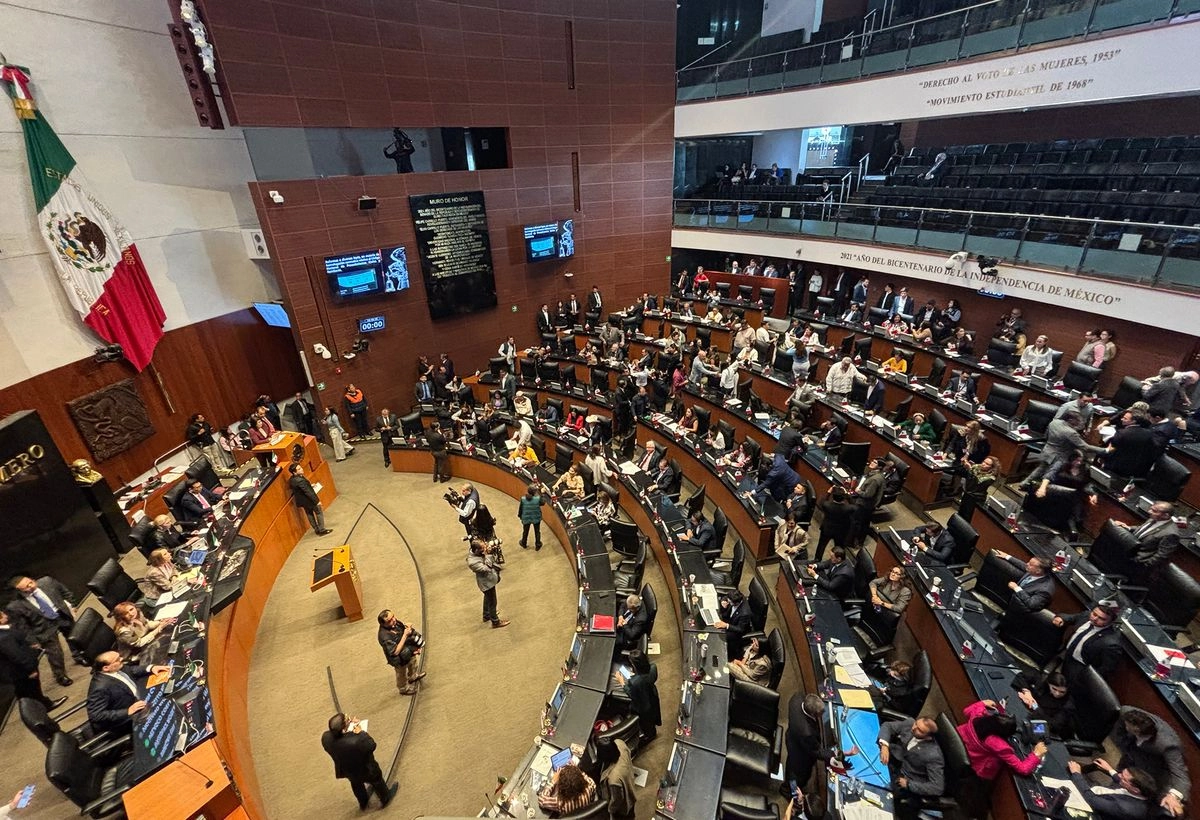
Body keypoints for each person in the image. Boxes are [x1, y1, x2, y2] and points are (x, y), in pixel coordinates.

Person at [1108, 706, 1189, 816]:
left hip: (1153, 772)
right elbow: (1121, 729)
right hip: (1130, 759)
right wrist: (1125, 746)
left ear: (1137, 731)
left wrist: (1173, 796)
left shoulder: (1168, 744)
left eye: (1129, 728)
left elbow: (1181, 776)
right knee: (1118, 786)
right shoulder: (1126, 712)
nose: (1127, 728)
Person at [7, 575, 81, 687]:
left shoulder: (47, 581)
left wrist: (72, 604)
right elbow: (23, 627)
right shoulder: (15, 606)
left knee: (73, 637)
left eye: (30, 582)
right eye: (26, 587)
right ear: (19, 591)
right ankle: (60, 675)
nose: (31, 586)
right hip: (43, 627)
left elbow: (65, 592)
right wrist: (32, 641)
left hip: (61, 615)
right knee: (54, 652)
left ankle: (78, 656)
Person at [322, 712, 398, 810]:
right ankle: (385, 797)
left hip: (346, 769)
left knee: (356, 784)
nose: (349, 719)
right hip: (366, 768)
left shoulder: (326, 738)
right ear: (343, 729)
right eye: (347, 720)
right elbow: (372, 745)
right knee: (376, 780)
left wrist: (349, 733)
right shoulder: (357, 740)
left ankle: (363, 802)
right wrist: (361, 732)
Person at [957, 699, 1046, 782]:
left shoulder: (977, 716)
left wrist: (983, 702)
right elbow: (1023, 769)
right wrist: (1036, 755)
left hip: (956, 746)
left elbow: (966, 711)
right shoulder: (997, 744)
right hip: (975, 766)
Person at [86, 651, 169, 735]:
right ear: (106, 668)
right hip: (123, 721)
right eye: (117, 660)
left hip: (140, 700)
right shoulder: (100, 687)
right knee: (164, 714)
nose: (122, 659)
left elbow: (131, 670)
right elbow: (96, 715)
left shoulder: (117, 668)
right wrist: (128, 711)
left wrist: (151, 668)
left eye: (119, 657)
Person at [878, 716, 945, 819]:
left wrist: (909, 784)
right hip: (893, 760)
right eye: (916, 724)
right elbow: (887, 726)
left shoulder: (934, 755)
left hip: (904, 778)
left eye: (920, 730)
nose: (914, 728)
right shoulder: (910, 723)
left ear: (928, 737)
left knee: (877, 794)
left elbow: (937, 787)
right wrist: (884, 746)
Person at [0, 609, 67, 712]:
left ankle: (42, 706)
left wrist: (29, 647)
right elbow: (16, 655)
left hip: (19, 671)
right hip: (21, 671)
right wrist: (30, 670)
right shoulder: (3, 637)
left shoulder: (6, 631)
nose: (5, 615)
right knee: (31, 692)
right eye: (2, 615)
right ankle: (45, 707)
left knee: (28, 693)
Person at [1052, 603, 1123, 684]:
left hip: (1079, 669)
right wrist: (1061, 618)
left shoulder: (1111, 643)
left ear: (1111, 621)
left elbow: (1106, 669)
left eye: (1102, 618)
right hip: (1064, 655)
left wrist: (1085, 679)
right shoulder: (1086, 616)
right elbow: (1071, 617)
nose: (1095, 619)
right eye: (1094, 614)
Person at [1067, 759, 1157, 820]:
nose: (1119, 775)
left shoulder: (1125, 808)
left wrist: (1076, 774)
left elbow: (1091, 799)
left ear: (1136, 790)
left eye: (1123, 778)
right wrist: (1110, 769)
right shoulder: (1140, 792)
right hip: (1097, 794)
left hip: (1093, 809)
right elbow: (1122, 781)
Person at [1114, 501, 1181, 576]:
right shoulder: (1155, 518)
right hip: (1128, 552)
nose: (1149, 511)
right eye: (1151, 509)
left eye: (1154, 511)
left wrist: (1145, 565)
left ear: (1166, 515)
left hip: (1137, 563)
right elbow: (1143, 529)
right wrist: (1128, 527)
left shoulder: (1171, 533)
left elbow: (1162, 555)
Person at [1011, 670, 1076, 740]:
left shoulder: (1068, 704)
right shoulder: (1042, 681)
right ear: (1049, 684)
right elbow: (1021, 676)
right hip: (1031, 714)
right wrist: (1027, 692)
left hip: (1053, 733)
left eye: (1062, 692)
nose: (1057, 693)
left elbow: (1053, 725)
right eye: (1054, 689)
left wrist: (1034, 706)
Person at [377, 609, 425, 696]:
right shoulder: (385, 637)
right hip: (398, 659)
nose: (394, 620)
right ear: (383, 624)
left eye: (393, 616)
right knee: (401, 674)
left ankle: (413, 676)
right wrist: (405, 635)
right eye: (389, 620)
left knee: (412, 663)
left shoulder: (396, 623)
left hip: (407, 651)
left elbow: (405, 632)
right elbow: (395, 652)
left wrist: (415, 646)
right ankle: (403, 689)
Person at [989, 550, 1054, 613]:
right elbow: (1023, 565)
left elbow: (1032, 604)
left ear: (1038, 571)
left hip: (1018, 612)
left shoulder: (1045, 590)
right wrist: (1007, 557)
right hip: (1011, 600)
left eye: (1030, 564)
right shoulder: (1035, 571)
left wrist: (1016, 588)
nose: (1027, 564)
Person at [617, 649, 660, 742]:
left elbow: (631, 694)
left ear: (634, 665)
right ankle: (651, 731)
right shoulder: (653, 667)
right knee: (652, 717)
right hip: (652, 696)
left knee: (646, 723)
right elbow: (650, 679)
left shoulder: (634, 682)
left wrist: (622, 682)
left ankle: (649, 736)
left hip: (642, 706)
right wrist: (635, 675)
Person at [467, 537, 509, 629]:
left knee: (488, 598)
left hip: (489, 580)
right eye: (483, 548)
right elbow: (487, 569)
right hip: (486, 583)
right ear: (477, 550)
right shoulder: (472, 562)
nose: (485, 548)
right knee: (492, 602)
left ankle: (487, 615)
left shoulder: (478, 552)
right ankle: (495, 621)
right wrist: (488, 554)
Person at [595, 737, 636, 820]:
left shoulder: (613, 779)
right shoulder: (620, 743)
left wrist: (609, 810)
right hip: (629, 782)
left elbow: (617, 800)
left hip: (624, 805)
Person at [813, 486, 855, 562]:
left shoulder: (827, 505)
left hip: (827, 529)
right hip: (840, 532)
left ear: (833, 497)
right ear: (844, 498)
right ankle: (838, 562)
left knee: (821, 546)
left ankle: (817, 560)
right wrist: (847, 495)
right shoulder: (848, 508)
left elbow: (821, 502)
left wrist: (828, 492)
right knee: (839, 548)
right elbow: (855, 506)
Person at [288, 463, 331, 535]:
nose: (302, 469)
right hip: (309, 500)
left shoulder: (292, 479)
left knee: (309, 514)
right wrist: (317, 501)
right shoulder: (300, 480)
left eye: (301, 467)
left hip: (303, 501)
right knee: (318, 512)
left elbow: (300, 488)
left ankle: (316, 529)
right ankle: (322, 530)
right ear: (294, 472)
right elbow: (308, 492)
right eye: (299, 469)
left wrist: (309, 485)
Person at [713, 590, 754, 660]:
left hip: (736, 631)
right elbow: (725, 597)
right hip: (729, 619)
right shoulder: (736, 596)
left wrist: (726, 625)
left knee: (719, 635)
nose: (728, 602)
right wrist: (723, 601)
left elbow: (740, 629)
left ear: (736, 603)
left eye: (730, 602)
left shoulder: (745, 613)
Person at [517, 484, 545, 550]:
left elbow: (521, 508)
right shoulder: (537, 499)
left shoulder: (523, 499)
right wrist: (541, 494)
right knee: (537, 531)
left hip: (526, 518)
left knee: (525, 531)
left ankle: (524, 543)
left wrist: (520, 515)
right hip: (536, 517)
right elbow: (543, 503)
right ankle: (538, 545)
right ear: (534, 492)